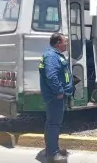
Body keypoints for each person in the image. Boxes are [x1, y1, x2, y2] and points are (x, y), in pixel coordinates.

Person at [39, 33, 73, 163]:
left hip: (55, 96)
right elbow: (51, 76)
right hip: (55, 96)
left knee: (51, 123)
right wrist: (59, 91)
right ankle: (53, 154)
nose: (66, 44)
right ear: (58, 42)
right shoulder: (52, 56)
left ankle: (52, 149)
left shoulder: (53, 54)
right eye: (65, 41)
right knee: (54, 124)